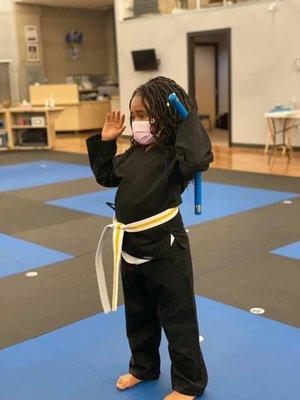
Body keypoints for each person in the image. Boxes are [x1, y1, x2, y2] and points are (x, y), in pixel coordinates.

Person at [86, 76, 213, 399]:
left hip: (165, 248)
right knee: (139, 315)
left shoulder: (176, 155)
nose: (138, 121)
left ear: (165, 115)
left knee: (177, 318)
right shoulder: (134, 153)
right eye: (135, 115)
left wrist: (188, 118)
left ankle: (188, 383)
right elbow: (106, 176)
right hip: (129, 248)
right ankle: (143, 367)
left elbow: (199, 159)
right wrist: (106, 142)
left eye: (145, 114)